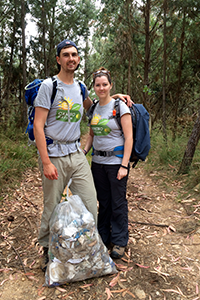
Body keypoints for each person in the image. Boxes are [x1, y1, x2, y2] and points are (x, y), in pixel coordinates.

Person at [33, 40, 132, 270]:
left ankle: (86, 243)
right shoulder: (50, 86)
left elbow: (96, 107)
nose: (71, 58)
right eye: (66, 55)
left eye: (74, 55)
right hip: (54, 153)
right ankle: (48, 248)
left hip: (76, 153)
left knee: (89, 201)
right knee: (52, 204)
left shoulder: (80, 87)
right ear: (58, 59)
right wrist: (46, 161)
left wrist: (114, 96)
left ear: (78, 59)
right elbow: (39, 126)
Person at [83, 67, 133, 259]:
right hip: (98, 163)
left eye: (105, 84)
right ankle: (103, 236)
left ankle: (120, 241)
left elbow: (129, 138)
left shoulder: (121, 107)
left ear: (111, 86)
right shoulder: (94, 108)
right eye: (98, 85)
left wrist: (124, 165)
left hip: (116, 163)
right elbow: (91, 136)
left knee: (117, 202)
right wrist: (84, 152)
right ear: (94, 87)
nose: (101, 88)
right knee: (103, 202)